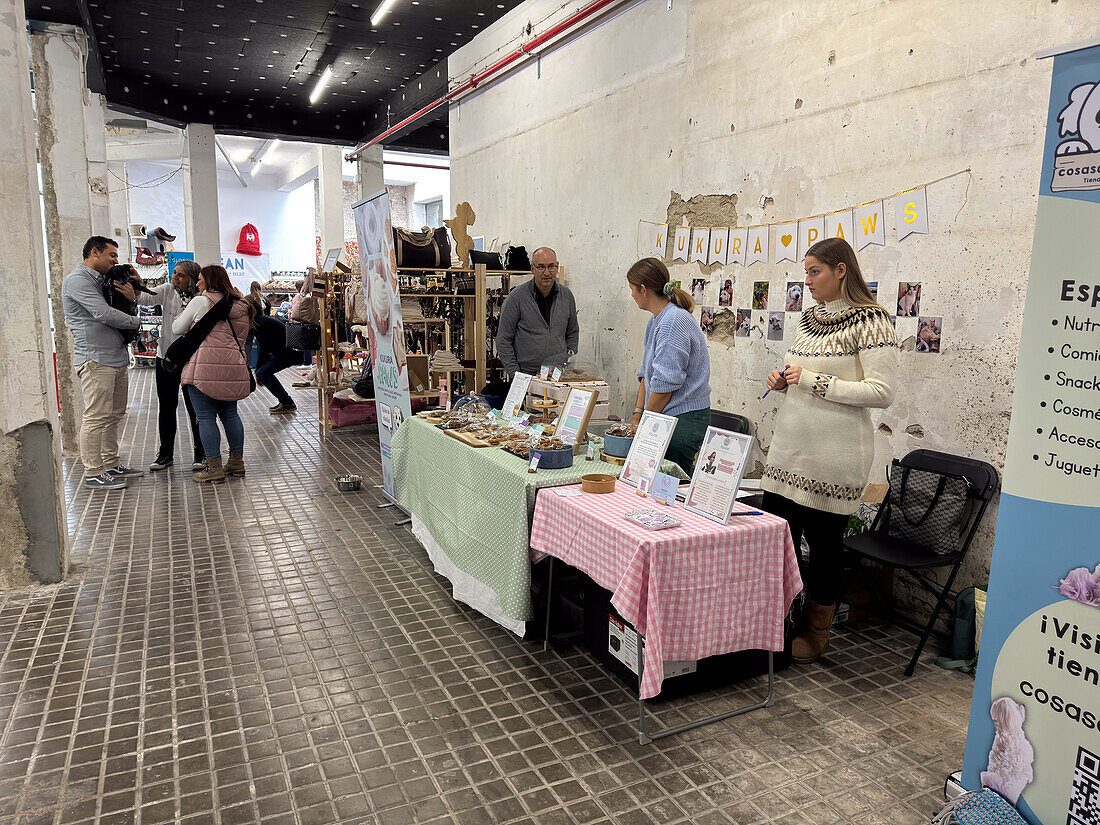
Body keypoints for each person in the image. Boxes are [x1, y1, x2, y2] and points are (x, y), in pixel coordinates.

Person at [762, 237, 898, 663]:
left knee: (823, 549)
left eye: (814, 271)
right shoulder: (810, 319)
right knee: (777, 543)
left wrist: (812, 381)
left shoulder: (873, 321)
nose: (807, 280)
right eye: (805, 272)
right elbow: (800, 371)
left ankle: (815, 631)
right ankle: (773, 625)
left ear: (841, 270)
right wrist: (781, 379)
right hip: (789, 453)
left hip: (833, 462)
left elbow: (882, 391)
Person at [61, 237, 144, 490]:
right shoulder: (78, 281)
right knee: (96, 416)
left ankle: (110, 463)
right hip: (95, 359)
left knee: (114, 414)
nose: (116, 260)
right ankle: (93, 471)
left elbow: (120, 306)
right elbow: (103, 313)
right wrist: (136, 322)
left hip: (115, 356)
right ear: (94, 252)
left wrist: (134, 297)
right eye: (112, 255)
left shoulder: (102, 280)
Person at [627, 257, 711, 475]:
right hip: (663, 415)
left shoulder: (673, 321)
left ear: (643, 290)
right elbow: (647, 372)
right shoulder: (656, 319)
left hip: (683, 419)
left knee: (672, 490)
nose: (631, 295)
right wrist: (637, 416)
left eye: (632, 289)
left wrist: (644, 426)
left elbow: (665, 385)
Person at [173, 265, 255, 483]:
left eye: (200, 279)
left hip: (204, 368)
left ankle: (214, 467)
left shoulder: (201, 301)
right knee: (230, 414)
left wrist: (185, 316)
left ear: (209, 281)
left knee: (205, 417)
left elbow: (176, 328)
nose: (197, 283)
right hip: (234, 366)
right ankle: (237, 463)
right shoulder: (242, 304)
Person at [134, 260, 205, 472]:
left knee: (196, 409)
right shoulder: (167, 291)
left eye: (181, 275)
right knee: (166, 407)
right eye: (175, 273)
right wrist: (136, 282)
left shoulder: (201, 299)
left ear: (192, 279)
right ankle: (165, 453)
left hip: (191, 360)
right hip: (165, 358)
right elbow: (143, 297)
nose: (175, 278)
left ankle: (200, 454)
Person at [496, 247, 579, 376]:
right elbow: (503, 339)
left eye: (551, 266)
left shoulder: (566, 296)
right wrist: (516, 374)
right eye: (541, 267)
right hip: (527, 375)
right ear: (532, 269)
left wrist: (569, 358)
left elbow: (572, 332)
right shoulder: (516, 298)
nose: (547, 273)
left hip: (558, 375)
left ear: (557, 267)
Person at [253, 314, 299, 414]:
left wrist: (258, 370)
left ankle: (287, 402)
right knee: (262, 373)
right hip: (287, 351)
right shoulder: (261, 320)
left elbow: (263, 349)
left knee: (262, 373)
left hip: (288, 352)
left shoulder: (259, 322)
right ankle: (285, 401)